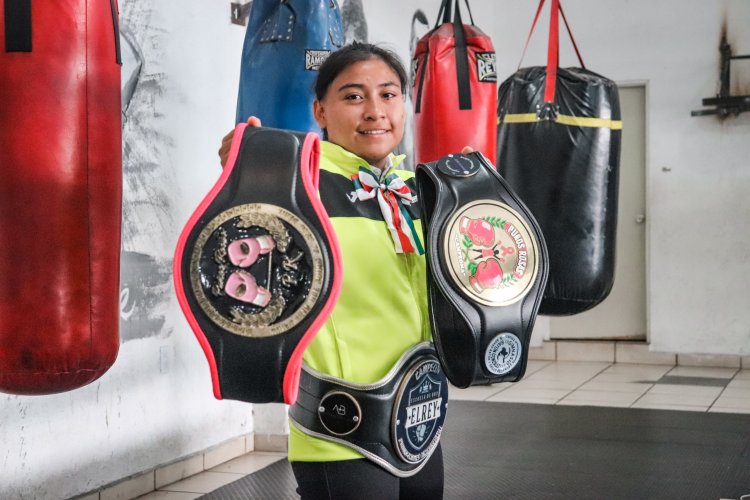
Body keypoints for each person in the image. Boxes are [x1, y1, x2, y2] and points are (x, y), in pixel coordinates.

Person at [219, 42, 471, 500]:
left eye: (389, 94)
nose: (375, 111)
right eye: (354, 96)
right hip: (341, 429)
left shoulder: (416, 191)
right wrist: (247, 171)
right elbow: (238, 253)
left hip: (417, 417)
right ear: (320, 110)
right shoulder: (297, 185)